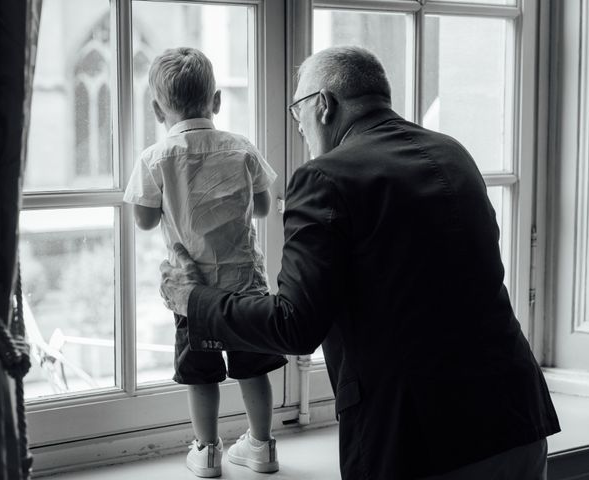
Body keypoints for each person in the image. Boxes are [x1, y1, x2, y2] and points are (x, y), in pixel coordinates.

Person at [160, 46, 560, 479]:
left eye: (299, 120)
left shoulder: (324, 178)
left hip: (418, 440)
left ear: (324, 107)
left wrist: (193, 299)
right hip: (515, 418)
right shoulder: (453, 153)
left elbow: (294, 324)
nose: (302, 135)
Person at [124, 47, 287, 478]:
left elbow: (143, 220)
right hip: (244, 285)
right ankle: (261, 445)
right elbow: (265, 207)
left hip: (193, 292)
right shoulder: (241, 148)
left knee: (201, 374)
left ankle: (207, 450)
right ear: (216, 101)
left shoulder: (155, 157)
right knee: (253, 369)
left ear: (158, 110)